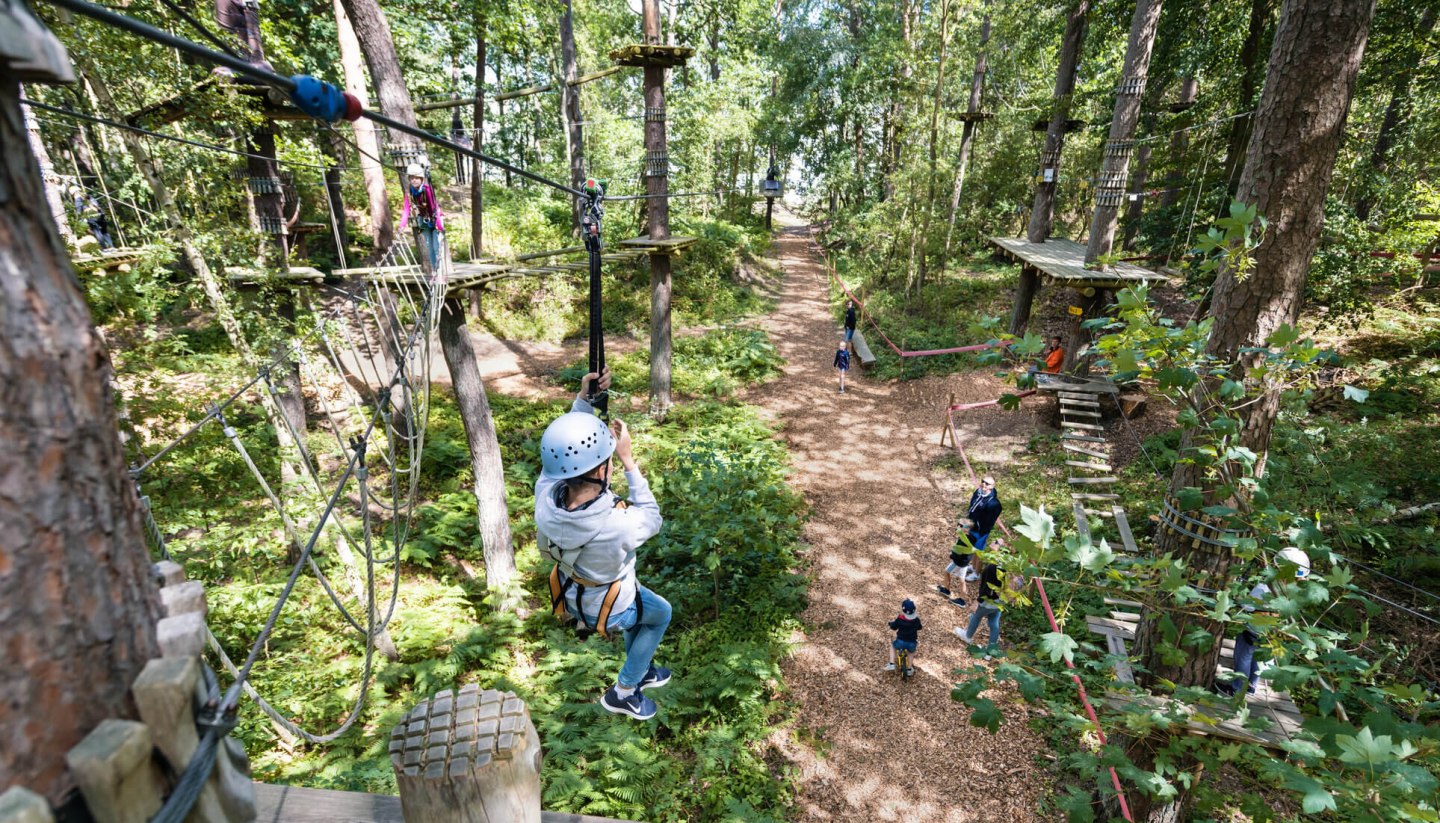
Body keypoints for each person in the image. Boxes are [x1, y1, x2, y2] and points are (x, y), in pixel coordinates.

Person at [535, 368, 672, 721]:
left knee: (642, 614)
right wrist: (629, 461)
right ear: (601, 472)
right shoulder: (614, 524)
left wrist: (585, 400)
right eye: (609, 461)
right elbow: (653, 518)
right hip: (610, 606)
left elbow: (565, 449)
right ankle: (625, 690)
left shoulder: (547, 494)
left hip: (573, 593)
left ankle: (640, 669)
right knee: (658, 615)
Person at [1220, 547, 1310, 696]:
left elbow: (1248, 606)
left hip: (1255, 628)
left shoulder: (1265, 587)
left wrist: (1239, 598)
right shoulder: (1296, 592)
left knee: (1244, 656)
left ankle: (1237, 689)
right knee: (1260, 657)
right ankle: (1251, 686)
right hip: (1274, 632)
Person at [937, 476, 1002, 606]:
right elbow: (972, 508)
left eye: (987, 483)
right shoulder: (977, 493)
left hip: (979, 532)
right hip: (971, 528)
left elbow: (987, 522)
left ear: (992, 486)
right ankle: (948, 589)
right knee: (952, 567)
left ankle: (974, 575)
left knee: (976, 551)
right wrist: (966, 524)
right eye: (983, 481)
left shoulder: (994, 504)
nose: (984, 484)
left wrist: (975, 527)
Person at [954, 547, 1010, 649]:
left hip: (988, 601)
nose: (993, 544)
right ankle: (991, 649)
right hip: (1000, 601)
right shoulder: (1008, 568)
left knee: (976, 616)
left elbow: (986, 587)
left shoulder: (991, 568)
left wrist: (978, 601)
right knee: (994, 623)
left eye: (996, 543)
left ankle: (967, 636)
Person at [399, 163, 445, 272]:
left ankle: (440, 273)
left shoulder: (428, 190)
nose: (414, 180)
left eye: (416, 178)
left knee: (436, 247)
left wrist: (439, 225)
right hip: (424, 221)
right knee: (429, 249)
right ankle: (435, 272)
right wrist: (402, 226)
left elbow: (435, 208)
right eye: (411, 178)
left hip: (435, 219)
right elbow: (406, 210)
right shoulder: (410, 193)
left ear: (421, 178)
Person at [884, 599, 922, 675]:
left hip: (900, 641)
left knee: (892, 646)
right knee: (911, 652)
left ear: (903, 610)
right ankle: (909, 669)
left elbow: (894, 627)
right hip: (912, 643)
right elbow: (920, 627)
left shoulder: (900, 619)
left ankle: (891, 664)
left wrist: (891, 624)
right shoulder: (916, 620)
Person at [69, 185, 114, 250]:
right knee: (104, 231)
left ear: (73, 194)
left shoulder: (78, 200)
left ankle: (104, 248)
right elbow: (97, 205)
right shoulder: (88, 196)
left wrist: (81, 220)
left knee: (97, 232)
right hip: (100, 214)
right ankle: (112, 246)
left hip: (91, 216)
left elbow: (79, 212)